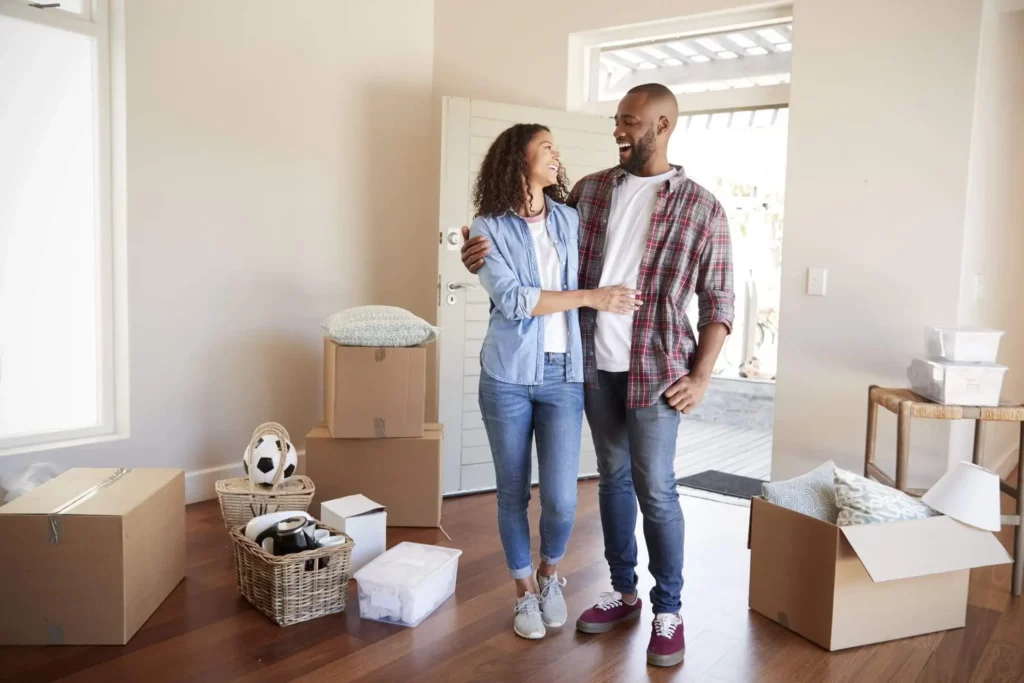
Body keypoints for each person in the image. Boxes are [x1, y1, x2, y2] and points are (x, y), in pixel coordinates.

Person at [461, 84, 735, 667]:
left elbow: (720, 302)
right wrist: (478, 257)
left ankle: (670, 609)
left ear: (661, 127)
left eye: (629, 122)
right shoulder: (588, 193)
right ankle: (624, 591)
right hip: (587, 366)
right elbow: (532, 258)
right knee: (611, 480)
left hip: (657, 371)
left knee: (656, 489)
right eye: (617, 119)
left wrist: (703, 375)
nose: (618, 130)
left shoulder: (702, 207)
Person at [467, 123, 641, 641]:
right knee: (513, 492)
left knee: (563, 498)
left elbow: (617, 249)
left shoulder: (570, 218)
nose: (555, 155)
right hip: (506, 376)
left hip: (564, 376)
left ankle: (549, 577)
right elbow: (516, 301)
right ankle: (522, 593)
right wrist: (590, 296)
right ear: (516, 158)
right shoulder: (486, 227)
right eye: (546, 147)